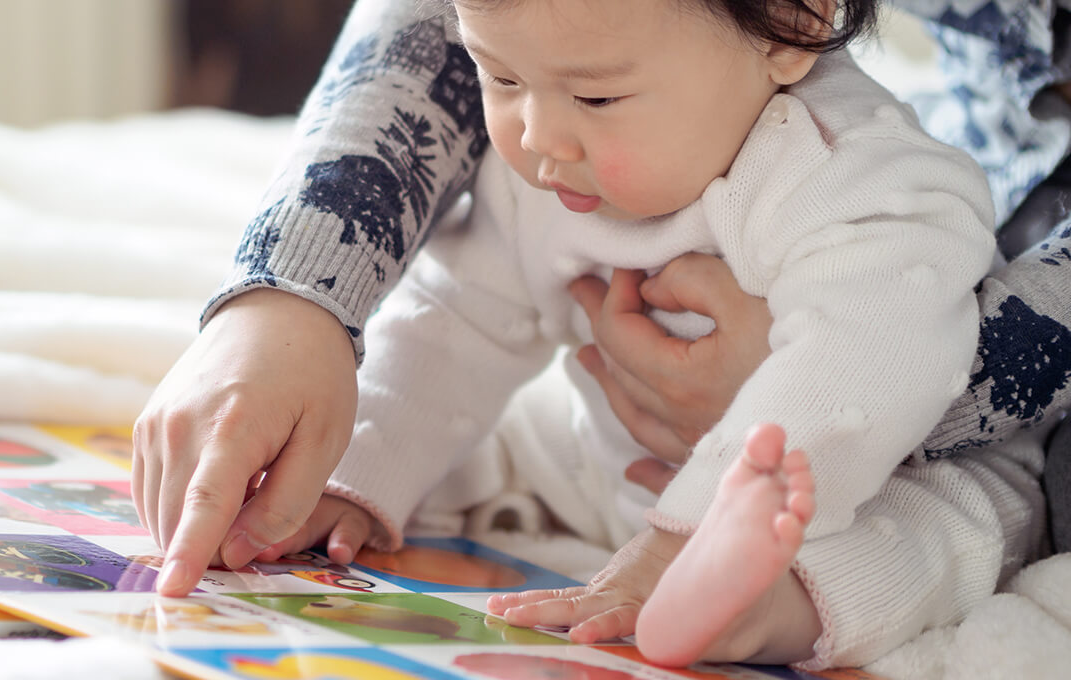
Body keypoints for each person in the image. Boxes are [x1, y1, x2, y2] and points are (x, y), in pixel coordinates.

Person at [134, 0, 1067, 658]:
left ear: (792, 25)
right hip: (619, 451)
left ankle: (746, 608)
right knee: (496, 438)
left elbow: (874, 355)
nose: (539, 137)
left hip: (890, 472)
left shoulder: (856, 176)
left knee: (943, 541)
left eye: (597, 98)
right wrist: (352, 472)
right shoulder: (551, 141)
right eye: (497, 75)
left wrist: (686, 535)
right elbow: (460, 319)